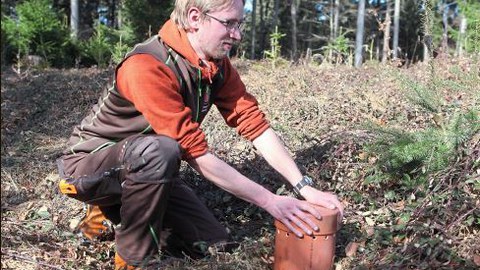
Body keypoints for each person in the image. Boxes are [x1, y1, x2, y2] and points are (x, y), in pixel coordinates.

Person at [57, 0, 344, 268]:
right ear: (195, 18)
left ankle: (115, 209)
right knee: (161, 150)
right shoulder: (147, 66)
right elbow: (196, 154)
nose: (238, 35)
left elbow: (255, 126)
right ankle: (131, 257)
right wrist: (271, 202)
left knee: (213, 243)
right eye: (229, 23)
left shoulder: (215, 66)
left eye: (240, 24)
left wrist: (304, 187)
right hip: (87, 166)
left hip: (148, 168)